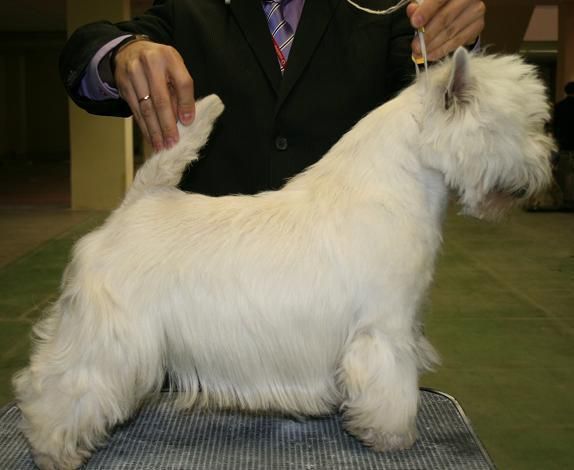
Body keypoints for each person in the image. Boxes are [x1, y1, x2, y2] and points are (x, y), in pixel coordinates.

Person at [60, 0, 485, 196]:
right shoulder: (187, 9)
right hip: (208, 288)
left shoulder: (388, 10)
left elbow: (436, 92)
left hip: (342, 297)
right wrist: (121, 53)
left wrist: (459, 38)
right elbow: (86, 48)